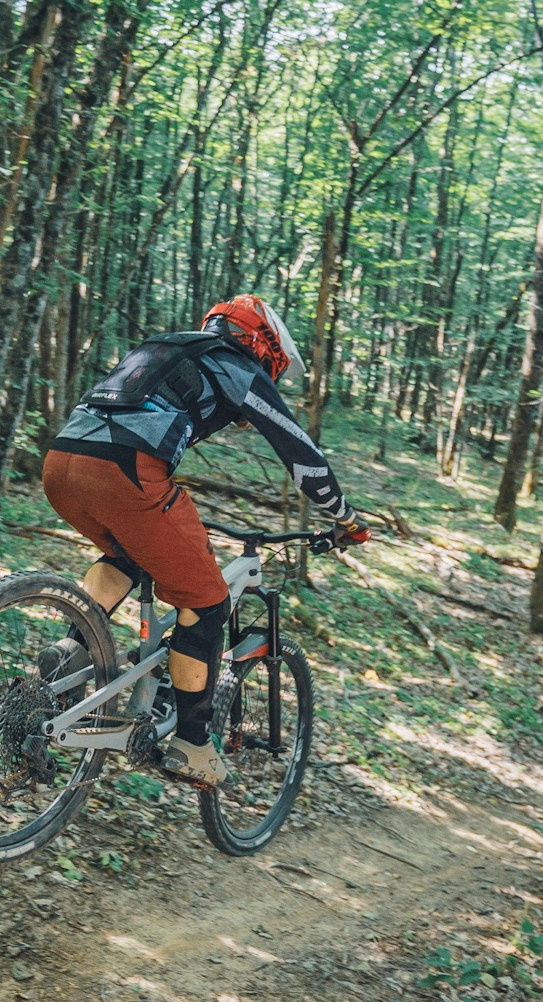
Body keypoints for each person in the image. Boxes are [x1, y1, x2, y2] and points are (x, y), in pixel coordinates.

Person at [41, 295, 371, 786]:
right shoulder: (239, 367)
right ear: (264, 349)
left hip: (60, 464)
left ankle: (72, 648)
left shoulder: (164, 348)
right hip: (125, 472)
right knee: (208, 602)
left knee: (127, 552)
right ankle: (193, 744)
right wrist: (345, 517)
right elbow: (301, 454)